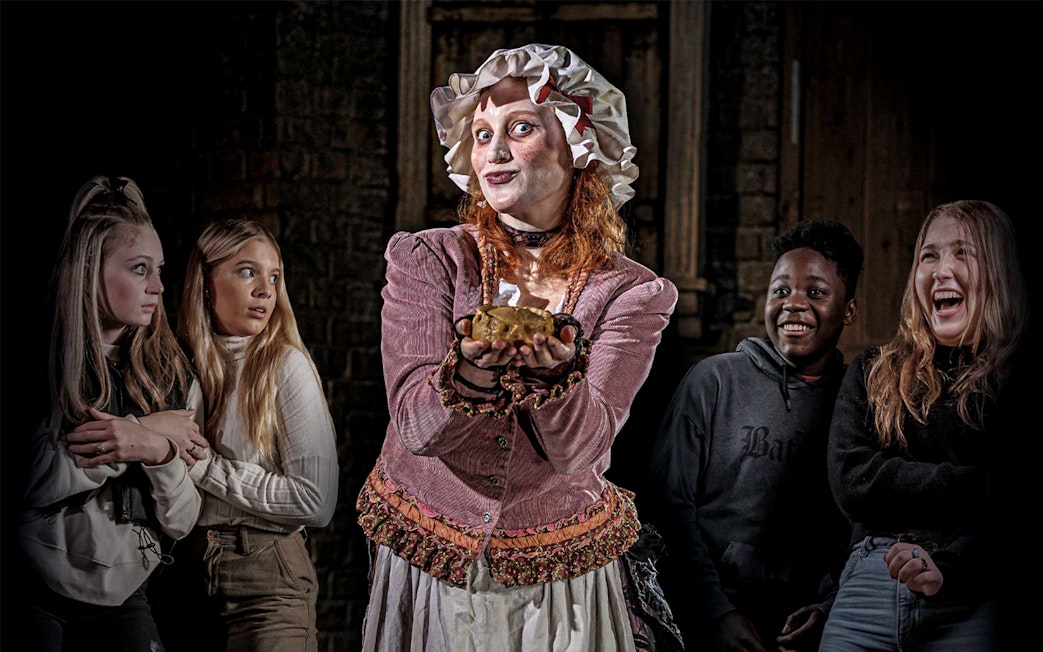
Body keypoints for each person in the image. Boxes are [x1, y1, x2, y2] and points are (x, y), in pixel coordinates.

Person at [354, 43, 679, 651]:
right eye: (480, 134)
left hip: (557, 577)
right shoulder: (429, 260)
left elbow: (581, 447)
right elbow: (419, 429)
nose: (493, 152)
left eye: (521, 128)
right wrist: (472, 376)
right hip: (437, 562)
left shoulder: (631, 293)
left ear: (581, 146)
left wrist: (557, 386)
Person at [817, 200, 1029, 651]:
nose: (940, 270)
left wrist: (948, 565)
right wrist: (979, 483)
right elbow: (853, 480)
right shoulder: (872, 370)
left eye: (963, 253)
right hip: (871, 580)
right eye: (929, 256)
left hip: (976, 591)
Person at [647, 218, 864, 652]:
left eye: (816, 293)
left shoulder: (858, 402)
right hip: (706, 619)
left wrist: (829, 607)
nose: (793, 305)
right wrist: (715, 612)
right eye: (781, 290)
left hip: (808, 628)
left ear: (849, 310)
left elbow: (864, 524)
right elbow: (668, 507)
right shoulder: (714, 381)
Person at [15, 175, 209, 651]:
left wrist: (158, 451)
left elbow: (183, 518)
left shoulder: (172, 375)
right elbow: (27, 481)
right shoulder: (39, 358)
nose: (159, 286)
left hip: (125, 594)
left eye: (159, 269)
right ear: (89, 270)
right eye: (140, 269)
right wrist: (142, 435)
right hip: (30, 587)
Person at [151, 218, 339, 652]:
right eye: (247, 271)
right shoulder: (176, 367)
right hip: (183, 573)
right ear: (205, 282)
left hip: (267, 575)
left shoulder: (284, 367)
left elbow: (316, 500)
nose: (266, 290)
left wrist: (207, 467)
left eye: (274, 276)